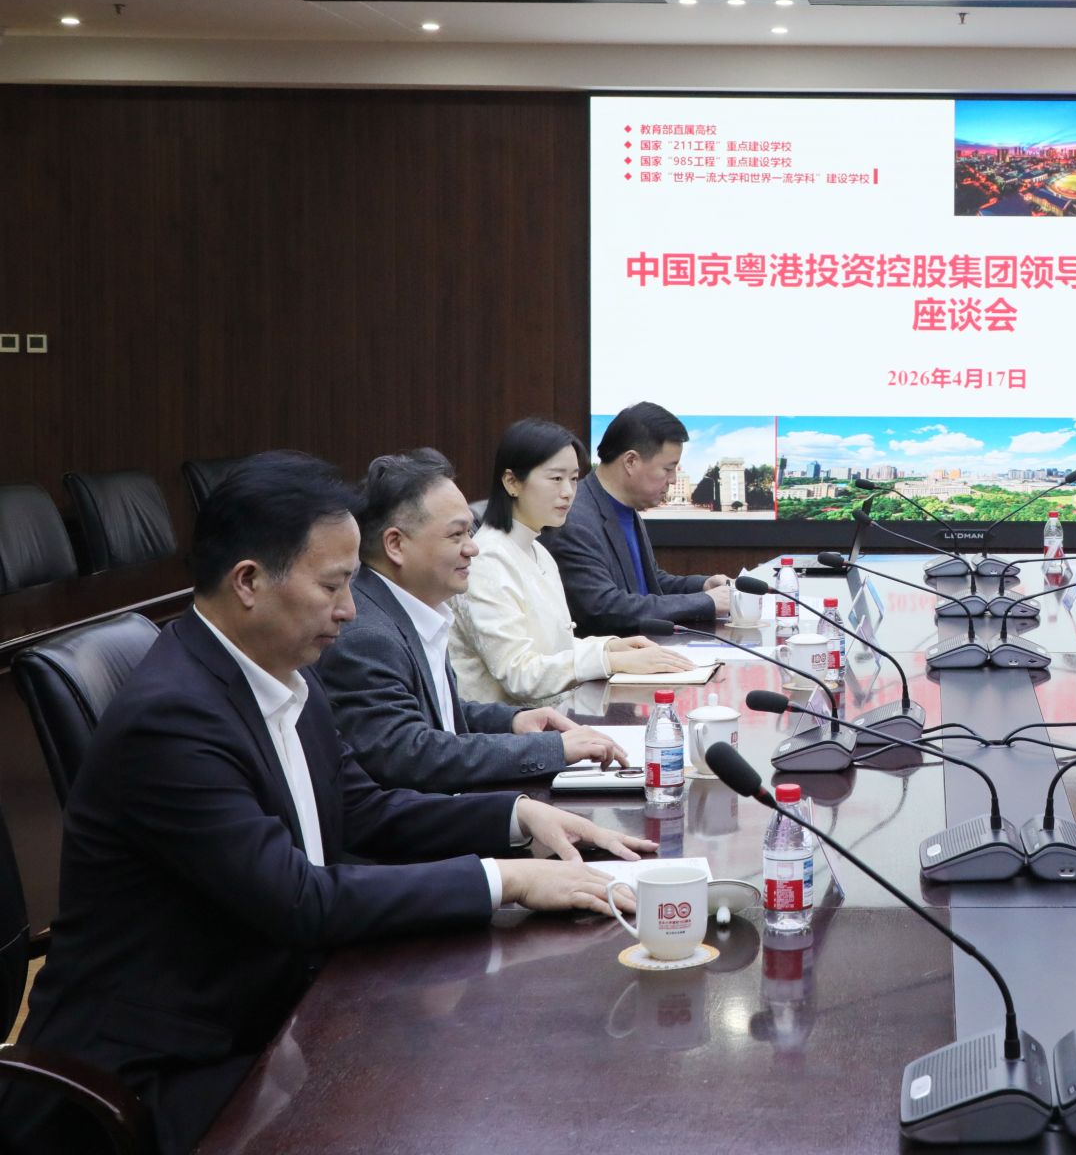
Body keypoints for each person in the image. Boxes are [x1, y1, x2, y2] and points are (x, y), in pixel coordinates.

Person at [0, 452, 651, 1154]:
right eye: (334, 585)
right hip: (164, 1069)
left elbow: (364, 810)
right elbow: (298, 899)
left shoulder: (281, 674)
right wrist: (506, 880)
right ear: (249, 582)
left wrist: (516, 819)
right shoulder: (172, 719)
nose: (350, 609)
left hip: (274, 1006)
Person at [317, 449, 633, 792]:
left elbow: (440, 715)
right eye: (457, 535)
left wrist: (513, 721)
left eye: (470, 533)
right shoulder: (367, 636)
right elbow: (410, 752)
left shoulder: (415, 608)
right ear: (395, 544)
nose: (473, 549)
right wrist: (549, 749)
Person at [451, 419, 696, 709]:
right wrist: (609, 660)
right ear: (512, 482)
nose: (568, 492)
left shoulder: (538, 551)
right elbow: (519, 673)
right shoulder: (487, 561)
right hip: (506, 730)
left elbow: (554, 649)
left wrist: (611, 646)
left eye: (574, 479)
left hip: (556, 717)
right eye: (556, 479)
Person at [544, 402, 731, 636]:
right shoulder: (573, 518)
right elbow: (605, 607)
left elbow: (647, 583)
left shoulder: (626, 508)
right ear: (631, 461)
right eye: (668, 469)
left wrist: (703, 586)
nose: (673, 480)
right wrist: (706, 602)